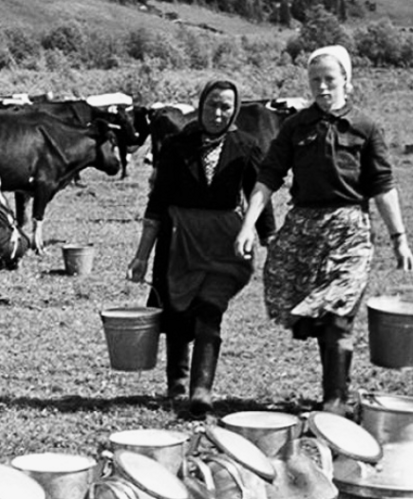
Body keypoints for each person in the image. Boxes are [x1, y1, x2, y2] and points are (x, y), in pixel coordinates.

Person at [235, 45, 413, 416]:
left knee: (339, 311)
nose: (322, 87)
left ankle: (335, 400)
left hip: (350, 229)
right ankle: (331, 385)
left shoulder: (365, 127)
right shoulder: (296, 125)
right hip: (305, 228)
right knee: (313, 313)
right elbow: (268, 177)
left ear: (346, 80)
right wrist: (248, 225)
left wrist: (399, 239)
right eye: (315, 80)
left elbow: (382, 185)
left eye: (329, 79)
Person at [127, 80, 274, 417]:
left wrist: (269, 241)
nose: (218, 113)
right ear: (201, 105)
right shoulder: (178, 146)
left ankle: (201, 390)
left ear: (234, 110)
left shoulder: (246, 146)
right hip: (178, 240)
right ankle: (176, 383)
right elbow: (157, 203)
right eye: (212, 105)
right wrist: (141, 256)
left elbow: (260, 196)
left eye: (225, 107)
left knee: (210, 309)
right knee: (177, 309)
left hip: (224, 243)